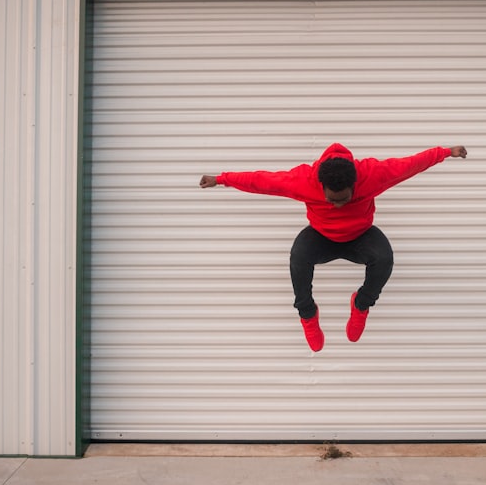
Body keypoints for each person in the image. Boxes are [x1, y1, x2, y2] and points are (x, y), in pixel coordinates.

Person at [199, 143, 468, 351]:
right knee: (298, 256)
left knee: (384, 257)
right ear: (321, 186)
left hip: (360, 236)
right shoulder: (304, 180)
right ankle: (307, 313)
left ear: (354, 184)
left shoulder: (372, 175)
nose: (338, 205)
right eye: (331, 200)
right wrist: (221, 179)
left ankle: (361, 305)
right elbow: (263, 181)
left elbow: (410, 165)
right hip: (321, 236)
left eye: (343, 200)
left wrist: (446, 152)